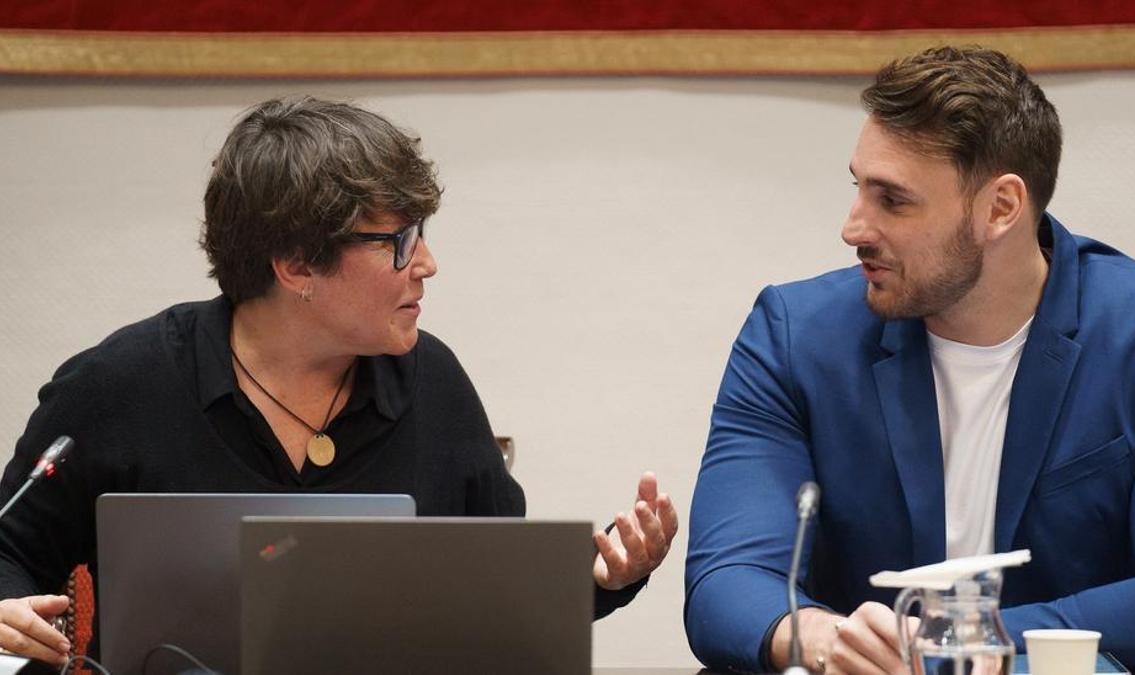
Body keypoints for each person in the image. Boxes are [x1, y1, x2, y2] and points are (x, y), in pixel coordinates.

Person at [0, 96, 678, 667]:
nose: (429, 263)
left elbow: (497, 588)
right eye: (400, 240)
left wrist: (602, 576)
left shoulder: (433, 383)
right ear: (297, 263)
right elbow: (8, 549)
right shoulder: (122, 383)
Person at [685, 46, 1135, 674]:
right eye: (858, 189)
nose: (854, 228)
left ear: (1000, 208)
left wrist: (953, 644)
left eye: (892, 200)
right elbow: (727, 580)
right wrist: (823, 638)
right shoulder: (794, 336)